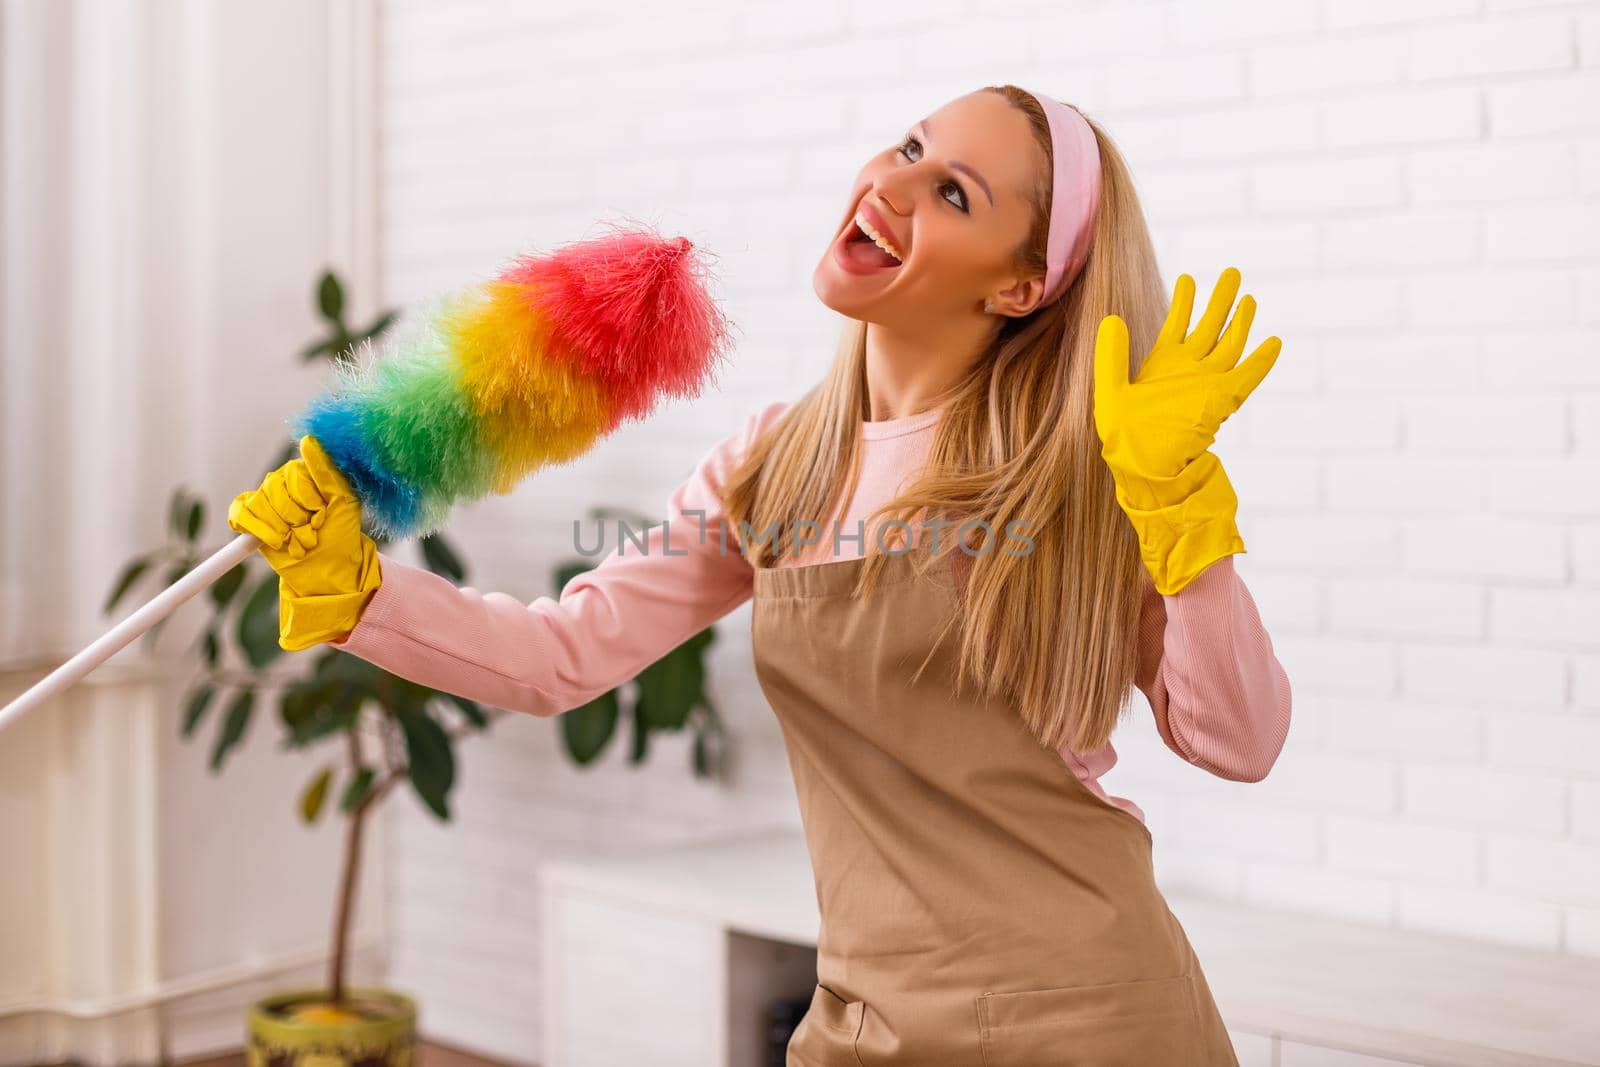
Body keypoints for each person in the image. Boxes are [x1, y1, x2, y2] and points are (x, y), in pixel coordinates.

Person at [229, 85, 1290, 1066]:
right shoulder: (776, 462)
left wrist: (1180, 505)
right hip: (868, 1014)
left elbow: (1236, 740)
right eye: (912, 147)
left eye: (952, 192)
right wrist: (356, 589)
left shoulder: (1081, 466)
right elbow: (563, 655)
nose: (893, 184)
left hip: (1088, 1012)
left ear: (1019, 284)